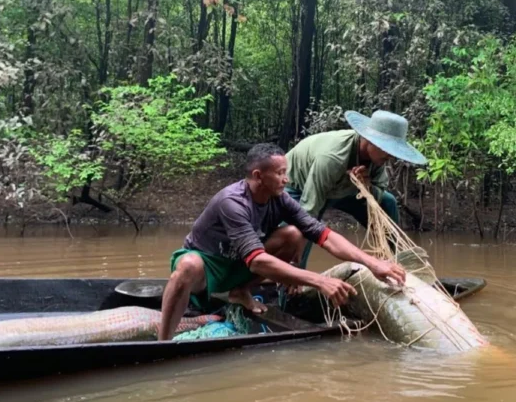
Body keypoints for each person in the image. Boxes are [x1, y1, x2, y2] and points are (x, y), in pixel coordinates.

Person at [158, 143, 407, 341]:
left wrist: (373, 263)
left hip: (238, 267)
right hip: (208, 268)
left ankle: (239, 291)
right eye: (279, 173)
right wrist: (319, 280)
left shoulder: (280, 199)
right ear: (258, 176)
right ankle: (162, 343)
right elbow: (256, 261)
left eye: (285, 172)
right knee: (188, 265)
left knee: (294, 234)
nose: (286, 179)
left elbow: (324, 235)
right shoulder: (232, 202)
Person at [285, 110, 428, 269]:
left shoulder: (378, 159)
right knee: (299, 230)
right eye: (387, 148)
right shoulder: (333, 157)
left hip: (340, 190)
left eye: (394, 151)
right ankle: (290, 285)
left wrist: (367, 186)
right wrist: (295, 264)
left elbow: (378, 193)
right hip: (299, 188)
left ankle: (389, 264)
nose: (391, 156)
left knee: (388, 203)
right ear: (368, 140)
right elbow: (308, 211)